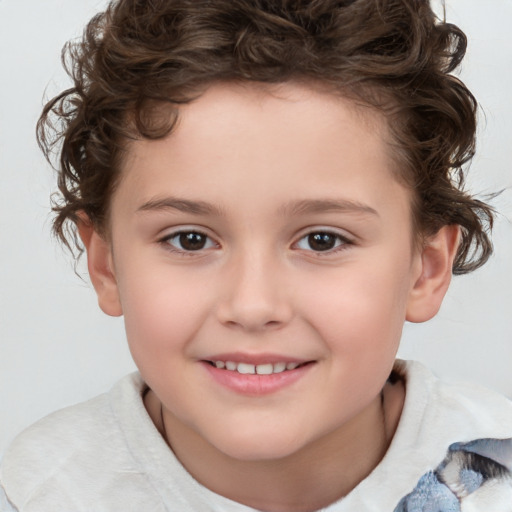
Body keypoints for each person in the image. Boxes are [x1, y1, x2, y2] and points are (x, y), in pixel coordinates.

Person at [1, 0, 511, 510]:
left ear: (426, 268)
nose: (252, 306)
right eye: (190, 239)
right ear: (106, 265)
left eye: (322, 240)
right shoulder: (36, 492)